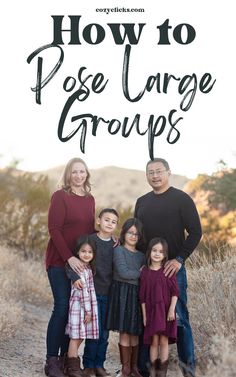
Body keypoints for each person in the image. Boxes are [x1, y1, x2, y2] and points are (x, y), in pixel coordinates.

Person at [134, 158, 202, 377]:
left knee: (179, 319)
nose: (155, 176)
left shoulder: (181, 199)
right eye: (150, 172)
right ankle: (144, 369)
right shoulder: (142, 202)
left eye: (159, 171)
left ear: (168, 172)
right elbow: (139, 236)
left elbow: (195, 232)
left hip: (173, 270)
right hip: (148, 270)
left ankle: (188, 371)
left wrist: (179, 259)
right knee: (147, 319)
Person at [45, 157, 96, 377]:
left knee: (73, 312)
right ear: (68, 174)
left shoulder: (90, 199)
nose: (78, 176)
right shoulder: (60, 197)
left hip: (79, 265)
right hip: (59, 261)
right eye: (74, 172)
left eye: (82, 172)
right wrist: (68, 258)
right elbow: (54, 229)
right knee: (62, 306)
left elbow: (88, 230)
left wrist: (107, 238)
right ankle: (52, 361)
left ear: (86, 174)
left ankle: (68, 359)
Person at [66, 208, 119, 377]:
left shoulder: (116, 244)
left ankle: (99, 365)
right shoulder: (90, 240)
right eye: (106, 220)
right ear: (98, 221)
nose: (109, 224)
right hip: (90, 295)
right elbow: (71, 264)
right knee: (91, 332)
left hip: (108, 293)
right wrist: (75, 277)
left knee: (104, 333)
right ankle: (88, 365)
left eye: (113, 221)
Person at [106, 218, 146, 377]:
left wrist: (139, 276)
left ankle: (134, 368)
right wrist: (140, 273)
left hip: (136, 295)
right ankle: (125, 368)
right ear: (124, 233)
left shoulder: (142, 256)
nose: (133, 236)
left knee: (135, 332)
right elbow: (123, 273)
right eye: (130, 233)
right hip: (122, 294)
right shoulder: (118, 250)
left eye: (136, 234)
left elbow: (143, 278)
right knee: (124, 331)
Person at [139, 237, 179, 377]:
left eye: (161, 252)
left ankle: (162, 372)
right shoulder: (145, 272)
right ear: (149, 252)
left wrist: (172, 310)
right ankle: (153, 372)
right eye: (154, 250)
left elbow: (175, 293)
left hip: (166, 311)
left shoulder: (168, 271)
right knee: (153, 341)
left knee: (164, 340)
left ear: (165, 254)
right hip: (151, 312)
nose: (157, 254)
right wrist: (144, 316)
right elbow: (142, 297)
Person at [65, 235, 99, 377]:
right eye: (83, 251)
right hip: (80, 307)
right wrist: (89, 311)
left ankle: (69, 363)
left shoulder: (88, 268)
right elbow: (84, 292)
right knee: (76, 337)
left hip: (84, 307)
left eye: (90, 252)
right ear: (77, 252)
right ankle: (73, 368)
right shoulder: (79, 269)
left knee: (80, 336)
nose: (86, 254)